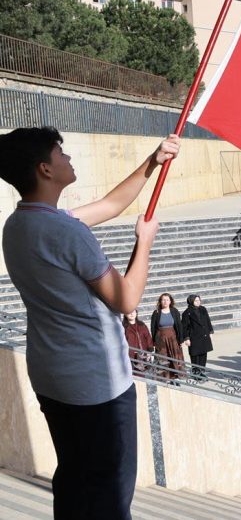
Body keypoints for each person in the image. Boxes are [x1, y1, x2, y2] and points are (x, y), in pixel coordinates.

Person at [0, 127, 177, 519]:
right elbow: (126, 299)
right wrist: (144, 240)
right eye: (61, 153)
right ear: (45, 168)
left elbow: (111, 204)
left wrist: (153, 161)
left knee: (75, 480)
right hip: (97, 385)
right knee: (110, 493)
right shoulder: (66, 232)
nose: (68, 158)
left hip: (52, 375)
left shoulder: (19, 225)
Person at [150, 293, 185, 381]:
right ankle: (164, 376)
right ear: (160, 301)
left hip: (173, 338)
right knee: (162, 357)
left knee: (174, 356)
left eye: (167, 300)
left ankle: (176, 375)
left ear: (170, 301)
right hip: (160, 339)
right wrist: (153, 341)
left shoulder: (174, 311)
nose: (165, 302)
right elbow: (153, 327)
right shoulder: (156, 312)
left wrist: (181, 339)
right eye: (163, 300)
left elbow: (179, 326)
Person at [180, 294, 213, 379]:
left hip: (204, 335)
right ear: (191, 301)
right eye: (196, 301)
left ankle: (202, 372)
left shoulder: (203, 309)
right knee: (195, 356)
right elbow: (184, 327)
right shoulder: (186, 313)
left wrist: (210, 332)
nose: (198, 302)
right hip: (194, 337)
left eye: (199, 300)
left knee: (203, 355)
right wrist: (186, 338)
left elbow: (208, 321)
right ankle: (195, 374)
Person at [121, 310, 153, 375]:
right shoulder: (123, 327)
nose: (131, 314)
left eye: (133, 311)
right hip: (130, 355)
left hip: (142, 354)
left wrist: (150, 350)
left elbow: (148, 337)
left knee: (141, 373)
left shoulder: (142, 325)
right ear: (125, 315)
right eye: (129, 312)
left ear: (136, 313)